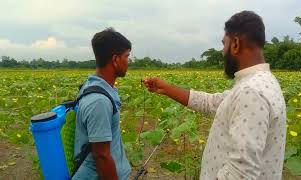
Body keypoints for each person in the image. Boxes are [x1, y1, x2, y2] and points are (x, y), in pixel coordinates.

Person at [144, 11, 286, 180]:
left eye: (223, 44)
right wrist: (166, 88)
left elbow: (240, 175)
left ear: (235, 44)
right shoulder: (259, 83)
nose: (222, 51)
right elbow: (210, 102)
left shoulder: (251, 92)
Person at [72, 28, 131, 180]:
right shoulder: (99, 101)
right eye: (127, 56)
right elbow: (102, 156)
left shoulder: (92, 86)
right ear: (115, 59)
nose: (128, 61)